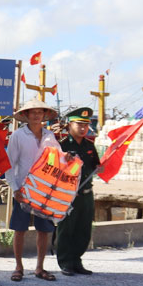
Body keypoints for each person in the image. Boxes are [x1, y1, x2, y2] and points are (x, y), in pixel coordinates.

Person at [6, 98, 61, 282]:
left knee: (44, 230)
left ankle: (40, 267)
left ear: (44, 115)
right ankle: (18, 267)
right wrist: (15, 188)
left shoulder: (50, 137)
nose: (37, 115)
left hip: (44, 191)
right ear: (26, 115)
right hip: (23, 189)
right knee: (19, 229)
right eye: (33, 112)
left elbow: (58, 161)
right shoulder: (17, 136)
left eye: (40, 112)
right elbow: (8, 165)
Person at [56, 107, 102, 276]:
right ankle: (65, 261)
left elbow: (96, 165)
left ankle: (77, 260)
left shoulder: (89, 145)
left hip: (87, 193)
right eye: (79, 124)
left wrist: (101, 168)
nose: (83, 128)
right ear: (70, 125)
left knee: (83, 229)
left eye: (85, 125)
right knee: (66, 228)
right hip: (69, 194)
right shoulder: (62, 146)